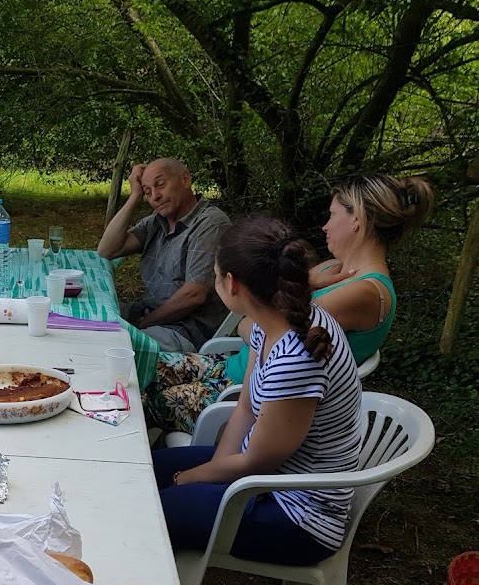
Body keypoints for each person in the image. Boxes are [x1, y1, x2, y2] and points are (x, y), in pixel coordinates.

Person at [145, 172, 434, 434]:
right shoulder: (334, 269)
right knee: (141, 365)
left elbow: (255, 328)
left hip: (243, 397)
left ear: (356, 218)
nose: (324, 226)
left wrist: (258, 318)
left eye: (332, 215)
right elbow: (261, 318)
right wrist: (305, 283)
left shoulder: (364, 293)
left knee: (141, 402)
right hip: (230, 368)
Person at [153, 216, 362, 566]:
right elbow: (246, 407)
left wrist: (185, 480)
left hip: (295, 515)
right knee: (140, 473)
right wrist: (211, 471)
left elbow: (256, 462)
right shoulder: (275, 321)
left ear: (232, 283)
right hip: (263, 480)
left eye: (216, 274)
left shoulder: (295, 358)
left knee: (145, 511)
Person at [97, 158, 231, 352]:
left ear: (185, 180)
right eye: (148, 192)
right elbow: (107, 249)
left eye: (160, 185)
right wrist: (134, 196)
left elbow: (193, 295)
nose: (155, 197)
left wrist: (143, 324)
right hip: (147, 312)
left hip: (187, 330)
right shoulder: (157, 222)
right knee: (88, 322)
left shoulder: (210, 224)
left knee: (110, 347)